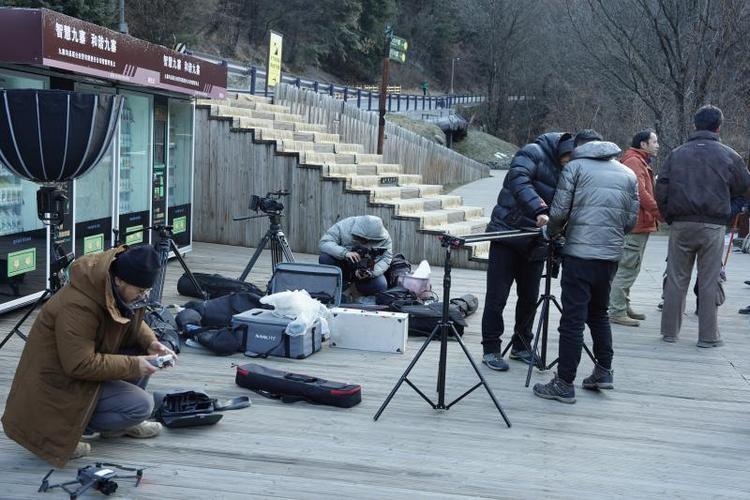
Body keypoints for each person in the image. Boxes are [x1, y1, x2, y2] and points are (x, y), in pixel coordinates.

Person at [2, 245, 175, 467]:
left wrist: (151, 343)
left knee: (143, 351)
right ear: (120, 280)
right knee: (141, 405)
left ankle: (118, 426)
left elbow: (132, 321)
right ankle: (60, 436)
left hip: (75, 373)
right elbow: (80, 364)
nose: (143, 296)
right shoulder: (78, 305)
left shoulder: (112, 287)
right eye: (140, 291)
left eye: (146, 292)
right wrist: (135, 365)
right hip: (56, 387)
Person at [533, 137, 639, 404]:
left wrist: (551, 233)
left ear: (580, 149)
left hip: (580, 254)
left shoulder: (575, 168)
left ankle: (564, 383)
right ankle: (604, 371)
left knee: (572, 319)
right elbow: (630, 220)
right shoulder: (628, 173)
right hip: (610, 256)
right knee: (599, 313)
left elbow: (558, 212)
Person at [655, 105, 750, 347]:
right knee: (709, 280)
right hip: (713, 226)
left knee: (676, 278)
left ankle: (669, 333)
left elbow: (662, 187)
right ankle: (708, 337)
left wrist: (669, 216)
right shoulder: (730, 155)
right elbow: (744, 188)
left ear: (695, 125)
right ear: (718, 127)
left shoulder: (676, 154)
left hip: (680, 224)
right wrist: (729, 212)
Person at [480, 132, 575, 371]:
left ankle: (521, 345)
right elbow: (518, 179)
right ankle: (490, 349)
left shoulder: (571, 169)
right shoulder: (533, 151)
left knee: (529, 298)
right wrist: (539, 210)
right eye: (569, 157)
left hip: (536, 241)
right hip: (508, 234)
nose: (570, 162)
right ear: (563, 150)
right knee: (497, 297)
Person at [609, 129, 661, 326]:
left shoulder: (640, 160)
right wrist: (659, 213)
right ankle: (616, 310)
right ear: (643, 144)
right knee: (627, 267)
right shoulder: (633, 161)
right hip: (636, 224)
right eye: (654, 141)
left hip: (641, 223)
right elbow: (640, 192)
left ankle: (622, 304)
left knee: (633, 266)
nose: (657, 145)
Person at [319, 215, 393, 296]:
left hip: (367, 270)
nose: (366, 243)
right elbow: (324, 242)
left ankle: (355, 290)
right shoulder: (344, 226)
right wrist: (345, 253)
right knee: (325, 258)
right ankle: (340, 286)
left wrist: (371, 273)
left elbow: (386, 258)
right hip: (344, 265)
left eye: (371, 240)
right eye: (362, 239)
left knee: (381, 286)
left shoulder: (384, 237)